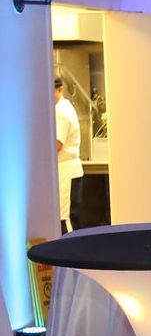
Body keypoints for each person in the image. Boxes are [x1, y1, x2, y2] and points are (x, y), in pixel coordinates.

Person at [54, 77, 83, 233]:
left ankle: (72, 256)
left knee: (67, 220)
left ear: (60, 89)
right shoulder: (61, 107)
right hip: (66, 170)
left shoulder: (61, 112)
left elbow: (56, 145)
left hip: (66, 171)